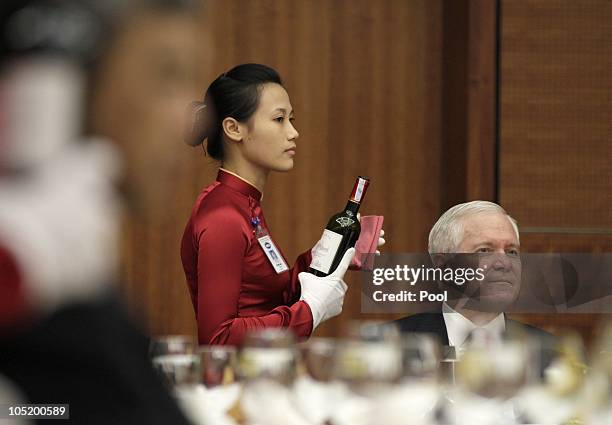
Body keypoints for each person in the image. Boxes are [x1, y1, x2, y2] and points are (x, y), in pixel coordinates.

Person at [182, 63, 369, 346]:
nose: (294, 132)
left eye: (291, 119)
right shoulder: (224, 215)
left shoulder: (245, 205)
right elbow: (217, 339)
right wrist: (308, 312)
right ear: (234, 129)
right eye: (279, 119)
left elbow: (269, 296)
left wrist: (325, 255)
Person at [395, 200, 554, 353]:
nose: (504, 263)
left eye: (511, 252)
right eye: (484, 250)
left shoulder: (550, 350)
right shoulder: (395, 343)